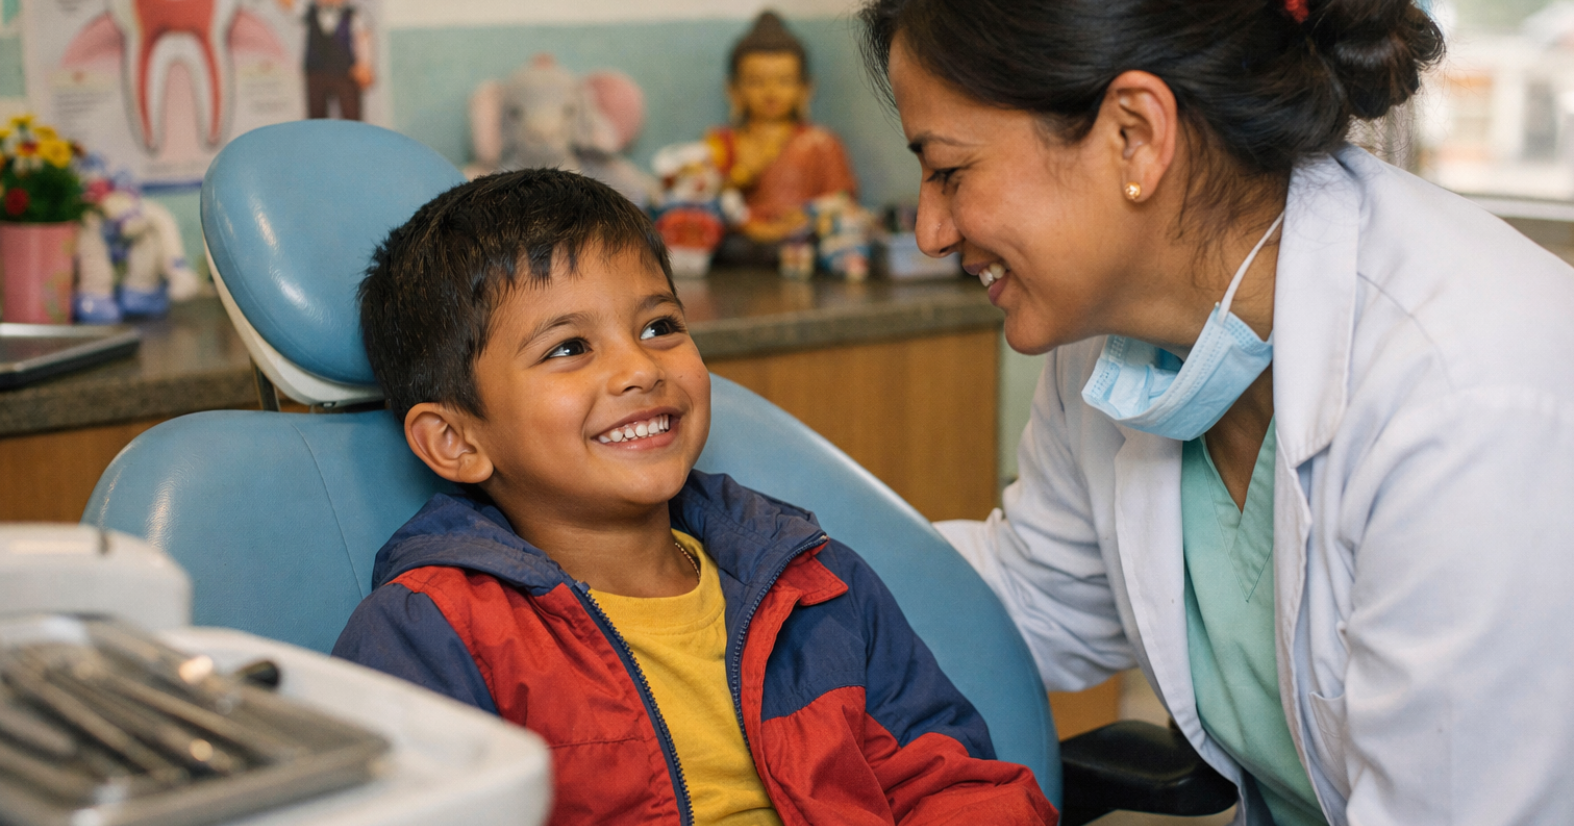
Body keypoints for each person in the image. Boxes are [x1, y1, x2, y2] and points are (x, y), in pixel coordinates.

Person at [862, 0, 1574, 823]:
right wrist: (735, 569)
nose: (933, 231)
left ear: (1135, 135)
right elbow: (1030, 603)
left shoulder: (1469, 399)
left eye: (950, 171)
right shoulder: (1114, 346)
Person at [331, 169, 1056, 826]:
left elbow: (951, 784)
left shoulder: (811, 584)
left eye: (659, 326)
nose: (639, 368)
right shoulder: (429, 637)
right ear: (456, 443)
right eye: (568, 348)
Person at [706, 10, 858, 247]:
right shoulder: (722, 142)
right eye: (756, 81)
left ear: (806, 89)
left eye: (784, 80)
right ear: (733, 91)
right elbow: (703, 198)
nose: (771, 91)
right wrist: (737, 178)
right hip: (742, 241)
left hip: (802, 236)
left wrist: (807, 214)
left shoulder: (821, 143)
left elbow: (842, 199)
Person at [257, 0, 377, 120]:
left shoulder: (354, 16)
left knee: (351, 116)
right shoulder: (310, 10)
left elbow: (363, 38)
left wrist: (365, 65)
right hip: (315, 72)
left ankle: (353, 148)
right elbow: (290, 2)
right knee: (316, 118)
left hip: (345, 74)